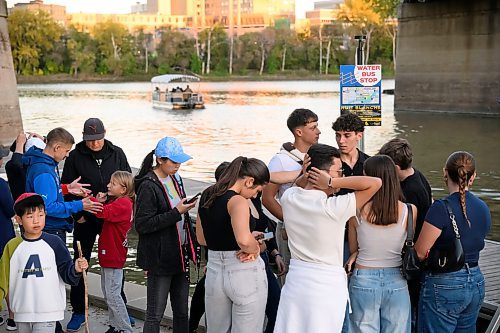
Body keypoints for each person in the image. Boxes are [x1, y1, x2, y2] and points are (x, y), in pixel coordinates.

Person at [273, 144, 381, 333]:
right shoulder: (333, 208)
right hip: (325, 287)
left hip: (296, 282)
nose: (342, 176)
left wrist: (306, 174)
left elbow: (299, 186)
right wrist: (332, 182)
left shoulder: (289, 198)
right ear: (321, 175)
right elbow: (375, 183)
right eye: (339, 172)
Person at [189, 161, 284, 333]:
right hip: (243, 270)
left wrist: (247, 238)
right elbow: (243, 242)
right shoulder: (238, 200)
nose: (255, 196)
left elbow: (202, 239)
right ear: (249, 181)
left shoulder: (207, 195)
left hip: (215, 271)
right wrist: (255, 247)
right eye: (257, 190)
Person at [60, 118, 132, 332]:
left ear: (104, 134)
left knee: (116, 261)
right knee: (80, 260)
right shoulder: (74, 155)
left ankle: (121, 310)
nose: (94, 144)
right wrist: (78, 215)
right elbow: (67, 188)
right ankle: (79, 310)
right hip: (86, 216)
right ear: (84, 137)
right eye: (90, 140)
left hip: (111, 215)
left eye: (98, 139)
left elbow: (128, 182)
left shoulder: (117, 152)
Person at [415, 151, 491, 333]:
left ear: (445, 173)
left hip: (445, 283)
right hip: (476, 281)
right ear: (473, 177)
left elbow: (420, 251)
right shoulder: (483, 207)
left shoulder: (440, 209)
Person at [134, 137, 198, 333]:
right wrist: (177, 212)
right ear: (160, 159)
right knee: (155, 314)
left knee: (181, 311)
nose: (178, 165)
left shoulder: (175, 179)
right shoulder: (148, 185)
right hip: (160, 257)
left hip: (180, 253)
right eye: (173, 161)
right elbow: (142, 224)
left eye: (180, 161)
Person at [0, 193, 89, 333]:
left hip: (48, 311)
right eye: (30, 216)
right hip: (21, 312)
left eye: (40, 215)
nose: (36, 221)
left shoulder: (55, 243)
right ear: (19, 219)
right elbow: (2, 280)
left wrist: (76, 268)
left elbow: (67, 273)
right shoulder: (12, 246)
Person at [346, 155, 415, 333]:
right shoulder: (410, 210)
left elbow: (355, 250)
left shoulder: (355, 210)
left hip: (363, 278)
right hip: (397, 279)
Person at [378, 138, 432, 331]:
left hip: (410, 258)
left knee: (407, 312)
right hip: (419, 255)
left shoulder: (408, 190)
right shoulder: (418, 177)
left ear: (394, 166)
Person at [262, 108, 320, 281]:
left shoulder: (318, 154)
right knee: (292, 278)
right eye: (313, 128)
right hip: (291, 228)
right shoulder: (281, 160)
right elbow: (267, 198)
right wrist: (288, 219)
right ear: (299, 132)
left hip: (316, 225)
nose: (318, 132)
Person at [23, 127, 103, 242]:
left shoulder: (46, 164)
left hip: (50, 228)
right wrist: (79, 205)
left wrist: (67, 188)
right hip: (50, 229)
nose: (68, 155)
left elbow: (42, 192)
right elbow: (48, 207)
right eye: (67, 151)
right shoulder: (44, 171)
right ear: (57, 148)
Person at [92, 171, 135, 333]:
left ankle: (124, 329)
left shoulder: (123, 203)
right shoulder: (121, 201)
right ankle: (115, 326)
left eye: (113, 183)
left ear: (123, 189)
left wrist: (96, 201)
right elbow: (106, 211)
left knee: (112, 295)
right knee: (109, 292)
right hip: (111, 253)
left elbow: (102, 213)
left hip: (113, 254)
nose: (108, 185)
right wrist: (102, 202)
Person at [0, 148, 16, 330]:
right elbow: (11, 210)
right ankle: (12, 316)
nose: (2, 161)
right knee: (8, 278)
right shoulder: (1, 184)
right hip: (2, 237)